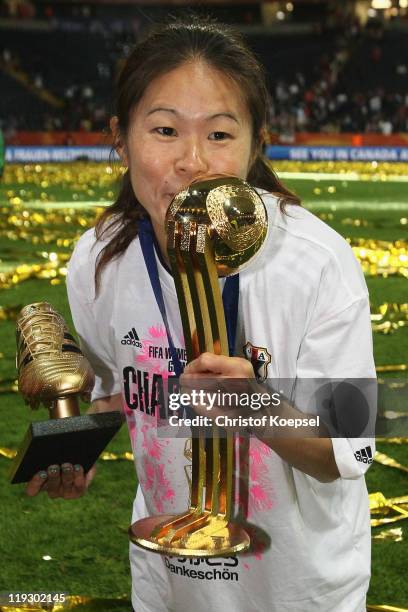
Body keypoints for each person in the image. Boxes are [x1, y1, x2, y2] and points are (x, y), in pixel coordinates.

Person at [27, 17, 376, 612]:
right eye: (164, 130)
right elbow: (117, 389)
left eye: (219, 134)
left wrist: (254, 404)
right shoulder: (98, 259)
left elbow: (349, 450)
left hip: (297, 588)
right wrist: (70, 449)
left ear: (254, 143)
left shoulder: (317, 262)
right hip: (168, 580)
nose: (192, 161)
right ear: (121, 137)